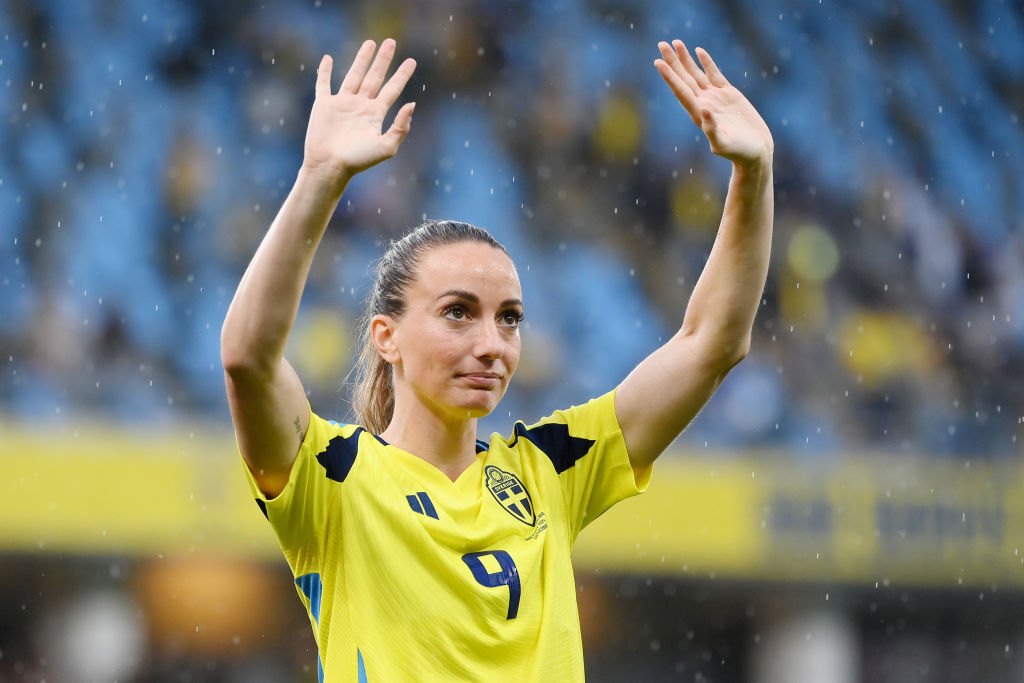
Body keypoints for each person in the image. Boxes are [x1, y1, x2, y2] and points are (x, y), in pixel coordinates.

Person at [221, 37, 773, 681]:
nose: (492, 343)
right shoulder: (331, 479)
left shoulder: (550, 471)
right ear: (385, 337)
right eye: (458, 311)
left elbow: (712, 343)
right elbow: (247, 360)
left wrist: (754, 173)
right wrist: (319, 180)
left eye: (509, 318)